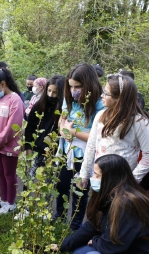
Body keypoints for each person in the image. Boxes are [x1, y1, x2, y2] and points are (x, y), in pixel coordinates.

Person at [79, 74, 149, 187]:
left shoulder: (139, 121)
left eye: (106, 93)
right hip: (100, 179)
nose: (102, 95)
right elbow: (91, 146)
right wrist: (84, 174)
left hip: (123, 183)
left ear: (119, 98)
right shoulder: (100, 116)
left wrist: (132, 181)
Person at [55, 63, 104, 230]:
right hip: (65, 150)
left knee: (79, 189)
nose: (73, 90)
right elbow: (61, 119)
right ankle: (58, 215)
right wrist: (63, 131)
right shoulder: (69, 99)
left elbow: (98, 136)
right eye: (71, 86)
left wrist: (73, 132)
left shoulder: (99, 104)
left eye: (78, 87)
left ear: (88, 85)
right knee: (61, 184)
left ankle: (74, 225)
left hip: (84, 154)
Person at [0, 68, 25, 214]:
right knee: (0, 173)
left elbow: (12, 128)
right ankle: (3, 199)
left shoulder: (15, 100)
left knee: (9, 174)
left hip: (9, 145)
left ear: (3, 84)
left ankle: (11, 203)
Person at [24, 75, 65, 177]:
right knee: (29, 180)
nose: (51, 95)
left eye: (55, 92)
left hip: (53, 153)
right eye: (49, 91)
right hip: (36, 150)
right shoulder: (39, 105)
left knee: (48, 183)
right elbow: (30, 127)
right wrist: (28, 148)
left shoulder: (64, 109)